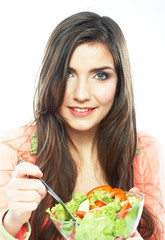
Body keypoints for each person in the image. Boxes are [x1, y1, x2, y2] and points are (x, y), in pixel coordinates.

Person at [0, 11, 164, 240]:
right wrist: (13, 220)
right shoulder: (12, 150)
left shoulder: (144, 150)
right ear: (50, 77)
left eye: (100, 75)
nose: (81, 94)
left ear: (119, 81)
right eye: (68, 73)